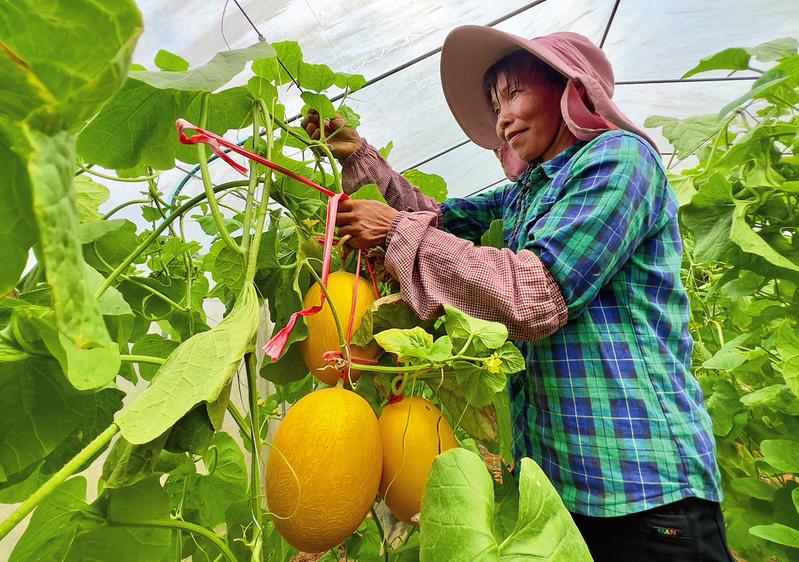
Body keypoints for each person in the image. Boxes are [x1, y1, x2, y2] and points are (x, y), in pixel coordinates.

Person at [302, 26, 732, 562]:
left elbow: (536, 292)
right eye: (494, 103)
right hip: (561, 489)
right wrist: (357, 157)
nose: (500, 118)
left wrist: (393, 233)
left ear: (569, 91)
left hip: (642, 486)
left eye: (512, 94)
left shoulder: (620, 162)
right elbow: (432, 219)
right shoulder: (523, 195)